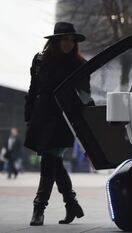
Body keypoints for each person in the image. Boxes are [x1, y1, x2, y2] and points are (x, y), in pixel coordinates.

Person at [24, 22, 88, 226]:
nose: (69, 43)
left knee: (49, 161)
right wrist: (29, 116)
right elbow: (33, 89)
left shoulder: (79, 64)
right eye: (64, 39)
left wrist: (85, 119)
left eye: (72, 40)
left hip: (62, 118)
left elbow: (84, 94)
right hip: (41, 115)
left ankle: (39, 208)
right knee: (54, 162)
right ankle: (71, 203)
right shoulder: (40, 60)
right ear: (55, 41)